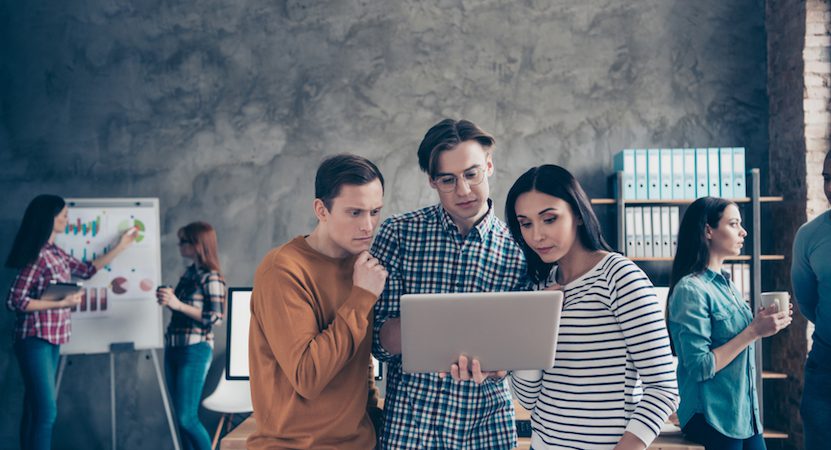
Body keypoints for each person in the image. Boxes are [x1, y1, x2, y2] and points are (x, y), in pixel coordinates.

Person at [497, 165, 679, 450]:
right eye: (526, 223)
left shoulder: (619, 276)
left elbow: (663, 389)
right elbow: (529, 398)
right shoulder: (539, 286)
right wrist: (534, 325)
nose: (537, 236)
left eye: (549, 219)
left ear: (578, 214)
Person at [371, 119, 526, 449]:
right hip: (411, 427)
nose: (464, 190)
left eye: (472, 174)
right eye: (448, 180)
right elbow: (377, 342)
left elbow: (522, 354)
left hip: (488, 428)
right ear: (432, 180)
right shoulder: (398, 234)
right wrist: (435, 324)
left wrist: (503, 366)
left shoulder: (522, 245)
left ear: (488, 166)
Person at [247, 154, 387, 450]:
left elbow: (360, 363)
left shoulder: (361, 269)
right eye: (354, 213)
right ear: (321, 209)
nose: (368, 226)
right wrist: (362, 297)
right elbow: (308, 376)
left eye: (375, 211)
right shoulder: (282, 269)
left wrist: (372, 420)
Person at [5, 194, 136, 450]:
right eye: (63, 215)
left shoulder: (56, 252)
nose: (67, 219)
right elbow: (15, 300)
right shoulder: (39, 255)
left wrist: (121, 246)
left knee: (35, 410)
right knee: (46, 412)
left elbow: (87, 271)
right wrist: (60, 303)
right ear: (48, 218)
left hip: (54, 337)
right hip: (34, 338)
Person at [668, 197, 791, 450]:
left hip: (744, 413)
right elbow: (699, 366)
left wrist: (764, 325)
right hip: (712, 416)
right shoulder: (690, 290)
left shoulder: (728, 285)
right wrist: (753, 330)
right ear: (708, 230)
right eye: (734, 224)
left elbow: (741, 337)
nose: (743, 231)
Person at [156, 222, 226, 450]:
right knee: (180, 419)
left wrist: (177, 304)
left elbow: (216, 317)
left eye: (183, 241)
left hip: (195, 349)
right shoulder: (189, 274)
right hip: (175, 347)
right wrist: (170, 302)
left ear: (197, 244)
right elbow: (185, 311)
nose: (179, 246)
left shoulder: (211, 277)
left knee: (187, 418)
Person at [792, 149, 831, 450]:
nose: (830, 189)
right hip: (826, 361)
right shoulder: (810, 235)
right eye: (827, 179)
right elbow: (806, 302)